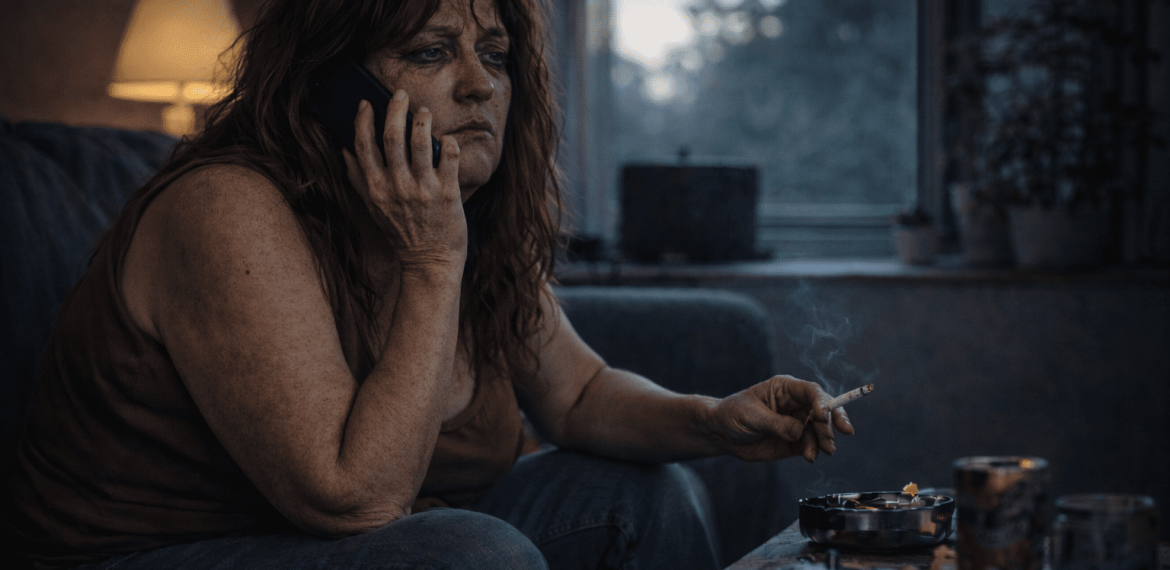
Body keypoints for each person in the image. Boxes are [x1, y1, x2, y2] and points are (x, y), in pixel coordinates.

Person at [6, 0, 855, 568]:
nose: (481, 84)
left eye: (493, 52)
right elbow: (351, 501)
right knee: (473, 555)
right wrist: (430, 262)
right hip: (163, 553)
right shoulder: (225, 208)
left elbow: (579, 393)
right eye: (429, 51)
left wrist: (711, 419)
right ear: (329, 85)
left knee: (651, 494)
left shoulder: (467, 210)